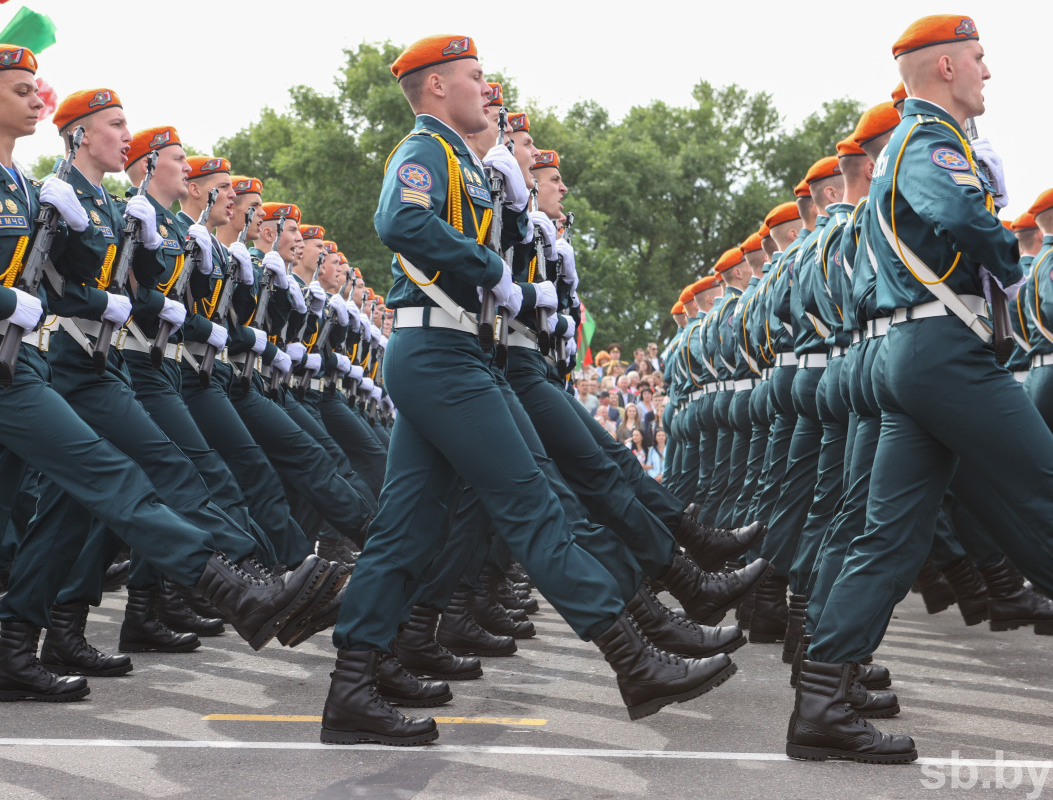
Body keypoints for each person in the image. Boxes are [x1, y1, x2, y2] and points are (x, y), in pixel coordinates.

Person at [0, 47, 323, 742]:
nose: (36, 100)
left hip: (28, 365)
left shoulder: (21, 188)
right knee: (110, 474)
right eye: (20, 90)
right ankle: (234, 592)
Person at [322, 35, 740, 748]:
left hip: (456, 351)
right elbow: (399, 221)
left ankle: (354, 685)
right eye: (475, 78)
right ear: (434, 89)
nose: (488, 90)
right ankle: (632, 660)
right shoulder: (422, 149)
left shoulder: (462, 161)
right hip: (440, 352)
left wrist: (511, 219)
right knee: (532, 503)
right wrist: (486, 263)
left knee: (406, 530)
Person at [793, 15, 1053, 764]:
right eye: (978, 58)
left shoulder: (913, 141)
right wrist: (1010, 250)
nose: (987, 72)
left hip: (919, 352)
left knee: (890, 538)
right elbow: (964, 218)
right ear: (944, 67)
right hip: (945, 352)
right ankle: (822, 698)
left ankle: (821, 702)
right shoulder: (932, 140)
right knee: (1042, 487)